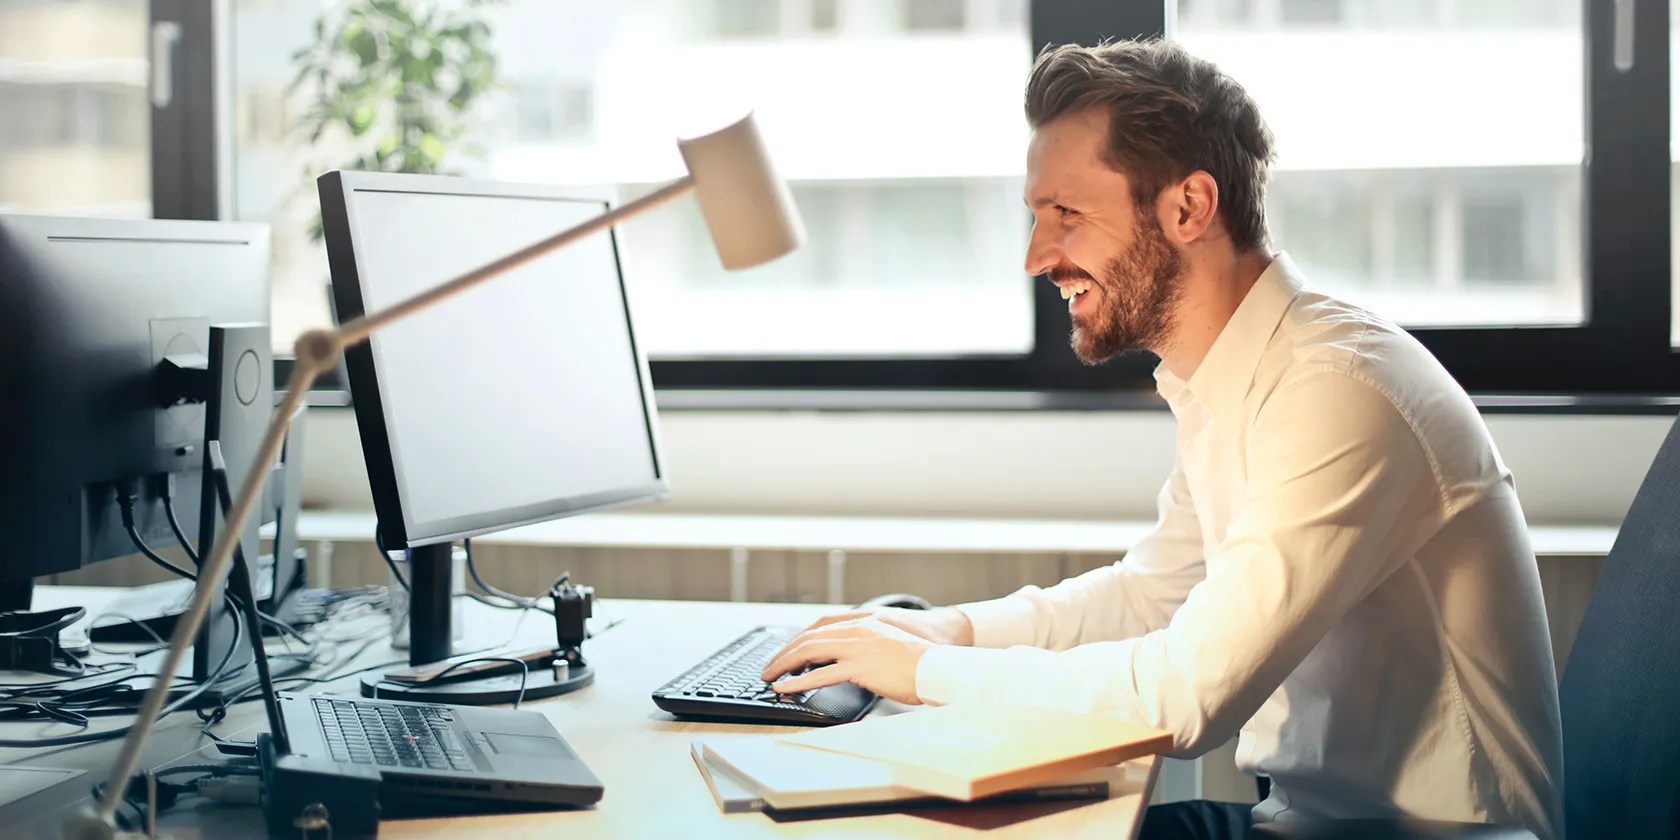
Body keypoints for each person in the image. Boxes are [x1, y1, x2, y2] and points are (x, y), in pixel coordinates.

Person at [760, 39, 1564, 840]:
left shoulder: (1339, 393)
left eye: (1066, 215)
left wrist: (925, 673)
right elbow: (1151, 596)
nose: (1038, 256)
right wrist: (951, 631)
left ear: (1189, 208)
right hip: (1306, 823)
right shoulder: (1230, 377)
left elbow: (1188, 698)